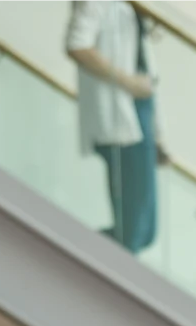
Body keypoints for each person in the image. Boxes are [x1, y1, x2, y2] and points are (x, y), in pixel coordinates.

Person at [68, 0, 159, 254]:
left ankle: (74, 254)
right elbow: (77, 45)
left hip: (141, 115)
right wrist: (128, 82)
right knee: (131, 232)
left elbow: (147, 71)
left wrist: (159, 136)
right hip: (120, 119)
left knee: (146, 231)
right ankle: (73, 256)